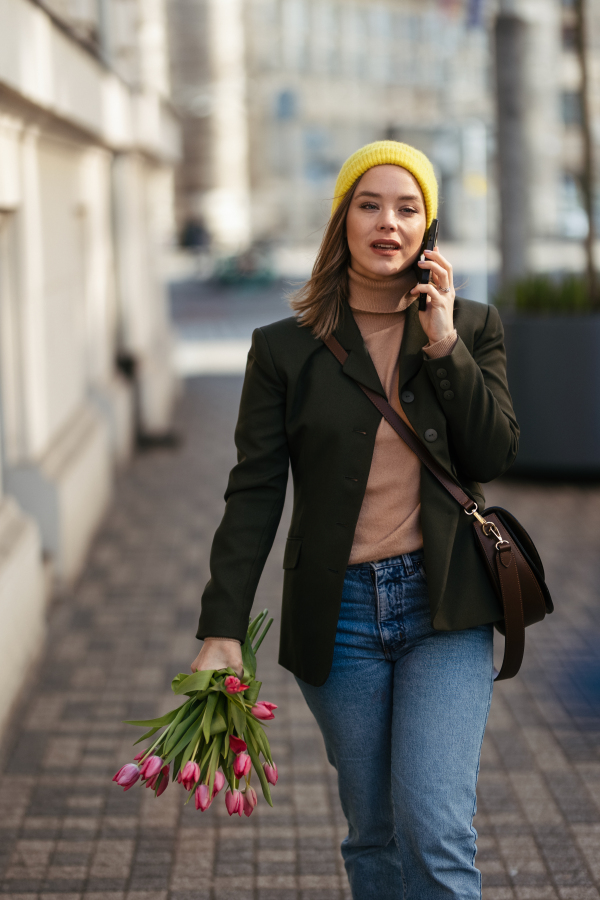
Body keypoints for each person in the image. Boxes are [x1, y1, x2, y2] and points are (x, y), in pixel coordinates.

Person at [191, 141, 519, 899]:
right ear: (342, 219)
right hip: (340, 617)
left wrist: (443, 343)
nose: (388, 223)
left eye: (408, 209)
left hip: (446, 606)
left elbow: (493, 451)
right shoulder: (283, 350)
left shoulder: (471, 325)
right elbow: (255, 490)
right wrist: (222, 626)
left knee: (434, 827)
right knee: (373, 833)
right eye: (369, 204)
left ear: (429, 228)